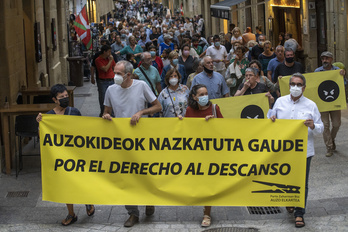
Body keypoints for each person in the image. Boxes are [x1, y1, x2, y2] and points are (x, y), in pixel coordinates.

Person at [103, 61, 162, 227]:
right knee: (127, 177)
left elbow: (157, 106)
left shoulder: (141, 86)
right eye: (114, 72)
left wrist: (141, 112)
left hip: (142, 139)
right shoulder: (110, 90)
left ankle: (149, 199)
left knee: (144, 173)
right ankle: (133, 213)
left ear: (128, 75)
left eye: (119, 73)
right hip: (121, 140)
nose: (115, 76)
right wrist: (106, 116)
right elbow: (106, 111)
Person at [268, 73, 324, 228]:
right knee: (285, 178)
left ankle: (299, 213)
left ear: (304, 88)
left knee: (302, 182)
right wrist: (271, 118)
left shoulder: (311, 105)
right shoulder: (280, 102)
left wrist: (313, 125)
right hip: (283, 150)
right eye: (293, 84)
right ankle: (289, 201)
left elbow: (321, 128)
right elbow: (270, 118)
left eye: (299, 85)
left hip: (304, 151)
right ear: (289, 85)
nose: (295, 87)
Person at [36, 84, 95, 226]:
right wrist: (40, 124)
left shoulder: (74, 111)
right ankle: (71, 214)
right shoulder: (49, 116)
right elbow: (43, 138)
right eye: (61, 97)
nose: (65, 99)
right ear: (54, 100)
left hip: (77, 155)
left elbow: (83, 130)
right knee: (66, 185)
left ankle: (88, 202)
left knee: (81, 181)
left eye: (66, 96)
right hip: (61, 157)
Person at [183, 84, 223, 227]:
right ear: (194, 97)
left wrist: (213, 124)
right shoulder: (189, 110)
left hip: (211, 153)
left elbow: (225, 130)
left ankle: (207, 213)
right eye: (201, 94)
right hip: (196, 153)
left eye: (206, 93)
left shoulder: (214, 108)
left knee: (208, 183)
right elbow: (187, 132)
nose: (204, 96)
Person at [314, 51, 346, 157]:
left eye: (327, 58)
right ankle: (329, 147)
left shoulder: (337, 71)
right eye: (323, 58)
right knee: (325, 125)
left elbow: (344, 84)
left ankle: (331, 139)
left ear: (331, 59)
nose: (325, 61)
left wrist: (343, 76)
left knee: (336, 124)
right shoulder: (317, 71)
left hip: (334, 101)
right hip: (323, 102)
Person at [94, 44, 116, 117]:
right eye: (109, 51)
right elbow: (105, 69)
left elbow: (114, 67)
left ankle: (112, 114)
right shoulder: (98, 60)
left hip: (111, 80)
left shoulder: (109, 59)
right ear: (104, 52)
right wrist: (110, 61)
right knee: (103, 98)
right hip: (103, 81)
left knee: (112, 97)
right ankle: (104, 113)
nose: (110, 53)